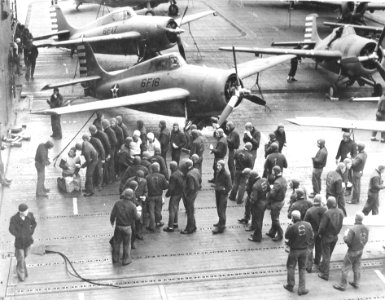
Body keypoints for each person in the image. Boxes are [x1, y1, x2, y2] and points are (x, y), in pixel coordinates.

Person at [333, 211, 369, 291]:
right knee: (357, 267)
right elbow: (366, 240)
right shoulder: (366, 228)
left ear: (356, 218)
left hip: (352, 251)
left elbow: (347, 241)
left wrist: (345, 235)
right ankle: (356, 283)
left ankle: (342, 285)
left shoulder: (353, 229)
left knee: (345, 267)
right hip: (360, 250)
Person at [283, 210, 313, 296]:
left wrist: (289, 225)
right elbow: (311, 236)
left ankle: (290, 285)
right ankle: (302, 289)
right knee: (302, 268)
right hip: (304, 250)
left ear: (292, 218)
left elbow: (287, 236)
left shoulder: (292, 227)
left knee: (291, 267)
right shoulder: (308, 225)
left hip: (294, 250)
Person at [318, 196, 345, 281]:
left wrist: (320, 234)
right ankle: (322, 267)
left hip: (326, 237)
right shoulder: (341, 212)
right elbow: (341, 225)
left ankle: (325, 274)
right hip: (335, 236)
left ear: (328, 204)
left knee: (326, 256)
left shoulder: (327, 213)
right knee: (328, 255)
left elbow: (322, 227)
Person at [110, 188, 139, 265]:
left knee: (116, 243)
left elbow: (113, 214)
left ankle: (115, 258)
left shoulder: (118, 203)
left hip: (118, 226)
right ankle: (126, 260)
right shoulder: (133, 206)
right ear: (131, 196)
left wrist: (112, 221)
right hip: (127, 227)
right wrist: (139, 215)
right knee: (127, 244)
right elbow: (136, 217)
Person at [9, 203, 37, 281]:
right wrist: (18, 235)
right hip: (19, 243)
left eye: (27, 210)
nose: (27, 212)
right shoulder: (14, 219)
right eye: (26, 211)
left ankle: (21, 268)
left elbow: (34, 224)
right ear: (21, 212)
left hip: (28, 241)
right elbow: (11, 229)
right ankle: (21, 276)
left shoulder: (30, 215)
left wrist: (31, 231)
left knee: (24, 256)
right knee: (21, 257)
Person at [304, 195, 327, 272]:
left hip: (312, 232)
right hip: (321, 232)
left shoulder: (309, 211)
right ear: (320, 201)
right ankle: (317, 261)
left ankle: (309, 266)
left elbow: (305, 222)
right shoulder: (324, 209)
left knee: (310, 248)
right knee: (319, 247)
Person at [266, 166, 287, 241]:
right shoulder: (283, 179)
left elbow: (272, 194)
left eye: (272, 170)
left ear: (275, 172)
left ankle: (280, 234)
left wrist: (270, 189)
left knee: (275, 219)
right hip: (281, 200)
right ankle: (272, 232)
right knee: (274, 217)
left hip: (276, 202)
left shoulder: (277, 182)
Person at [146, 162, 169, 232]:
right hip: (159, 196)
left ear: (152, 169)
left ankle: (151, 226)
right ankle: (158, 222)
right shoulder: (162, 176)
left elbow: (146, 187)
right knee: (158, 210)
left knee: (151, 211)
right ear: (158, 168)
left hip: (150, 196)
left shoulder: (147, 177)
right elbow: (165, 186)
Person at [248, 171, 269, 242]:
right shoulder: (264, 180)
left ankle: (257, 237)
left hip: (258, 205)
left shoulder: (255, 186)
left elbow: (254, 198)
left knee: (258, 221)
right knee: (259, 220)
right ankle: (256, 233)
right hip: (264, 202)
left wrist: (251, 201)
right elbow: (269, 189)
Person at [181, 159, 201, 234]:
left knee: (190, 212)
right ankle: (193, 226)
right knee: (191, 211)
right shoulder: (196, 170)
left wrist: (186, 195)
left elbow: (191, 188)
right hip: (195, 192)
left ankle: (190, 228)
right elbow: (200, 180)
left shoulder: (189, 175)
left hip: (190, 195)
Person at [164, 161, 184, 232]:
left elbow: (171, 188)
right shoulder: (180, 173)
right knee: (176, 208)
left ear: (171, 167)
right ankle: (175, 223)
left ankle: (170, 227)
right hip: (180, 193)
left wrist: (167, 194)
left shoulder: (173, 176)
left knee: (171, 210)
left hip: (175, 194)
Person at [212, 160, 232, 234]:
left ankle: (221, 227)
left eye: (219, 165)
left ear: (223, 166)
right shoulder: (218, 172)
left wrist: (224, 191)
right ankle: (220, 221)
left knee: (222, 209)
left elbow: (230, 186)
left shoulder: (226, 174)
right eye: (217, 165)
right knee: (218, 208)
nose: (217, 167)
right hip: (218, 192)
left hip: (223, 194)